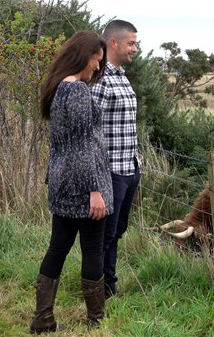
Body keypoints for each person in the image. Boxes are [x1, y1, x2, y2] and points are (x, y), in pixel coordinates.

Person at [30, 30, 113, 334]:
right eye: (97, 60)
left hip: (62, 180)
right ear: (85, 55)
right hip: (82, 184)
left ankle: (43, 318)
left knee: (58, 248)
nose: (97, 66)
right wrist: (95, 190)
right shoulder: (77, 92)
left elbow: (64, 144)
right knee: (92, 250)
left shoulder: (57, 88)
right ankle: (96, 321)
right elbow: (81, 146)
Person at [90, 20, 140, 299]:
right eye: (131, 43)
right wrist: (95, 179)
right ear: (113, 43)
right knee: (105, 235)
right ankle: (99, 290)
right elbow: (90, 131)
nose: (135, 48)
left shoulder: (121, 76)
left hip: (129, 167)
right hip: (110, 171)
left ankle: (109, 284)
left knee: (118, 230)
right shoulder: (101, 79)